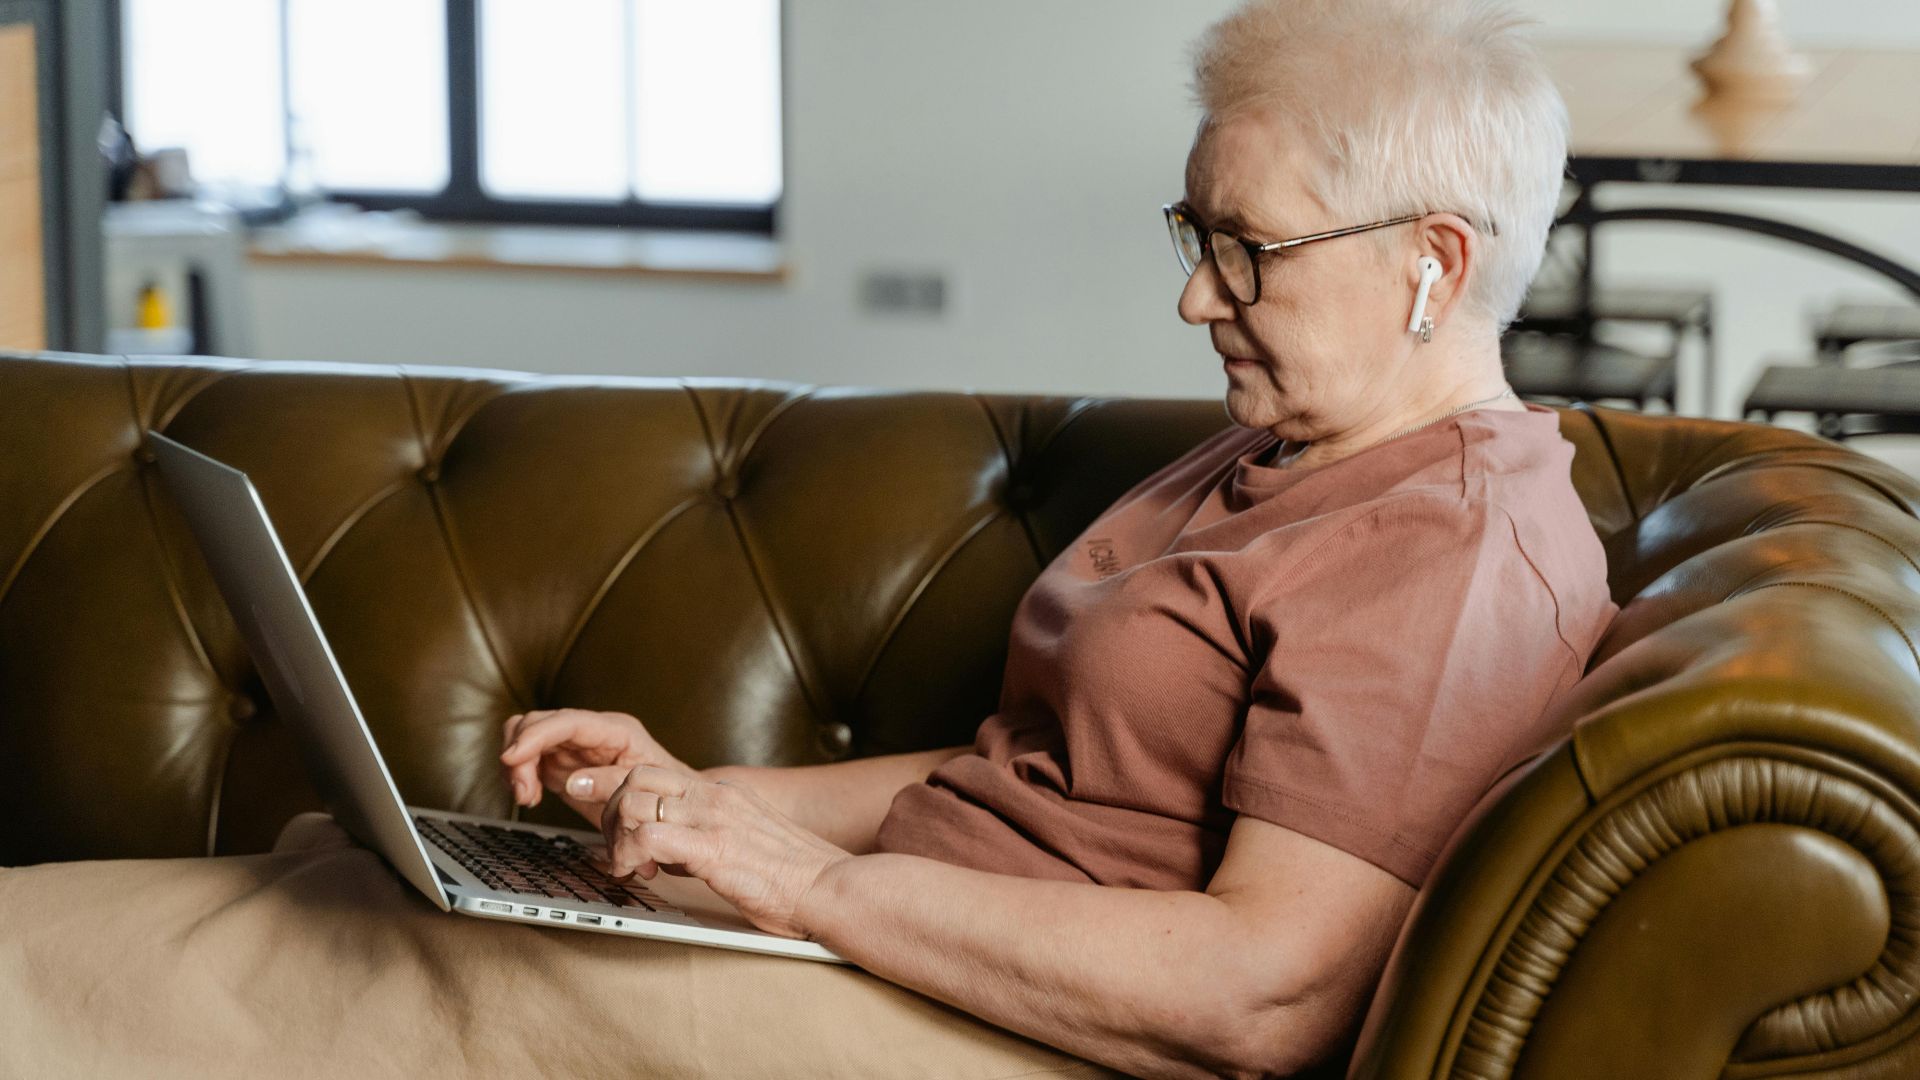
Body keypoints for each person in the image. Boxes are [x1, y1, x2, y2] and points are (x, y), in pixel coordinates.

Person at [0, 1, 1614, 1077]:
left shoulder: (1450, 545)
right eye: (1198, 238)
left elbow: (1265, 993)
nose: (1197, 295)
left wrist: (796, 890)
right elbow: (1013, 783)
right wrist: (707, 804)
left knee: (277, 977)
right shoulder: (1283, 454)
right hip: (898, 960)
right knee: (341, 883)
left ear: (1432, 262)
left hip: (994, 1038)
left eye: (1246, 251)